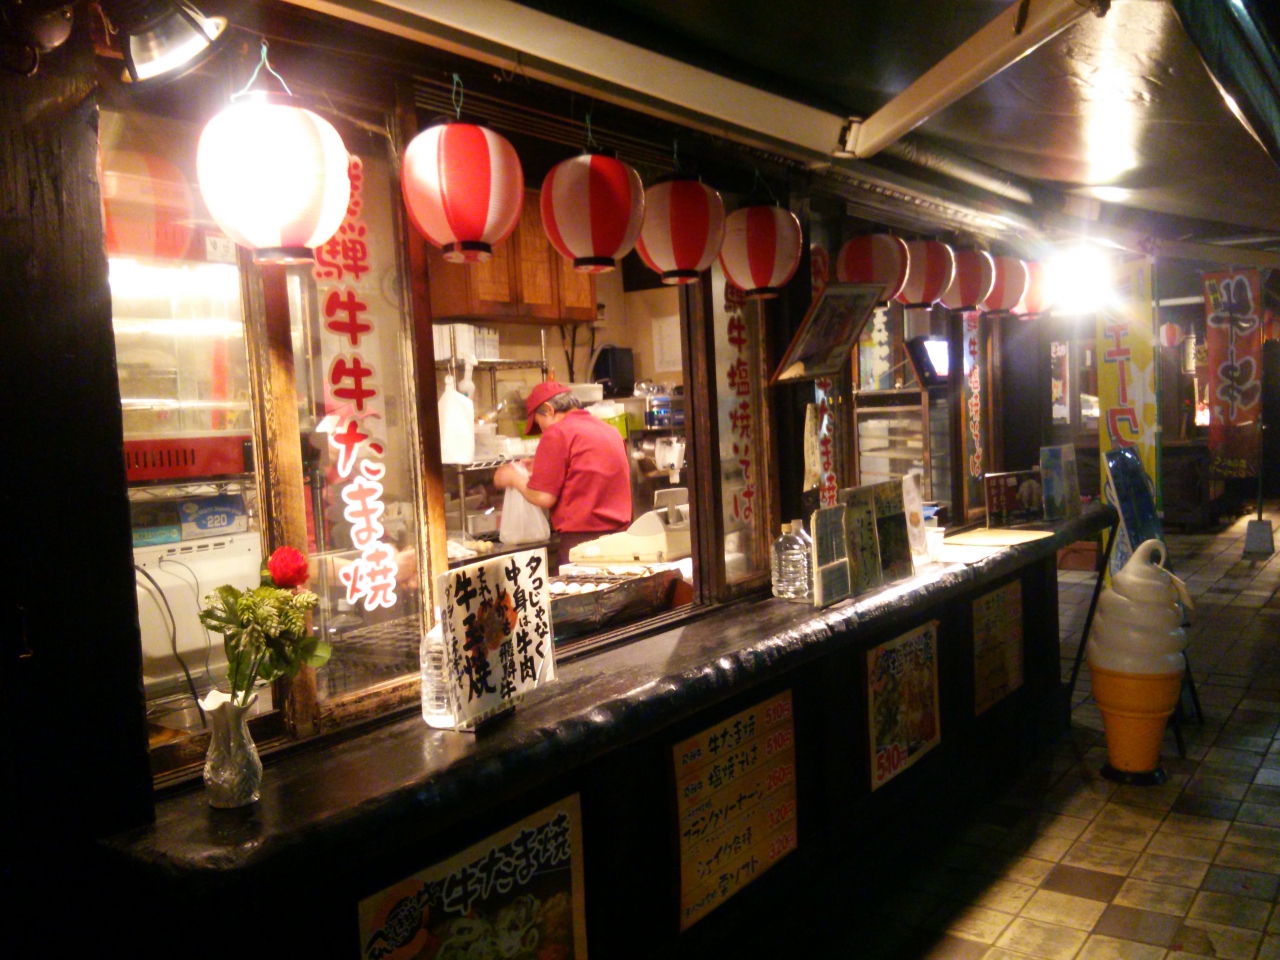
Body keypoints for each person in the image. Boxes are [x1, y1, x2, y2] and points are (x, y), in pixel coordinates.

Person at [494, 381, 632, 566]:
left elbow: (544, 497)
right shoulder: (609, 430)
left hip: (582, 547)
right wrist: (540, 465)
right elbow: (586, 471)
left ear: (549, 409)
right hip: (621, 541)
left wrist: (512, 478)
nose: (542, 431)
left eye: (539, 423)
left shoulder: (557, 433)